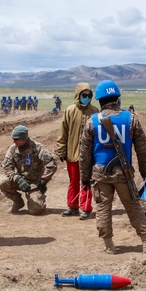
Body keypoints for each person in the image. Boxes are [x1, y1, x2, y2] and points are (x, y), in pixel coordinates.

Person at [80, 79, 146, 254]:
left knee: (103, 208)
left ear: (99, 101)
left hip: (100, 175)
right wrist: (145, 172)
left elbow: (84, 155)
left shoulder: (91, 121)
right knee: (133, 206)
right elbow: (142, 149)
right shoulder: (131, 119)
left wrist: (84, 178)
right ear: (117, 99)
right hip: (123, 174)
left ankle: (109, 245)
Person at [55, 82, 97, 220]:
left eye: (89, 95)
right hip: (72, 154)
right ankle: (72, 206)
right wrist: (61, 150)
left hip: (89, 155)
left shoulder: (95, 112)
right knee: (73, 181)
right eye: (84, 95)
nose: (86, 97)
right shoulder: (70, 110)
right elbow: (63, 132)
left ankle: (85, 208)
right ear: (78, 95)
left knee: (86, 181)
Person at [0, 125, 58, 215]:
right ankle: (18, 202)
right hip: (19, 180)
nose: (14, 141)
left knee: (36, 210)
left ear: (24, 138)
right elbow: (7, 167)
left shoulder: (38, 148)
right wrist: (17, 178)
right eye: (13, 138)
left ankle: (38, 199)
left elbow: (52, 164)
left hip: (34, 184)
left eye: (16, 139)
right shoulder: (13, 149)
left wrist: (43, 181)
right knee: (2, 182)